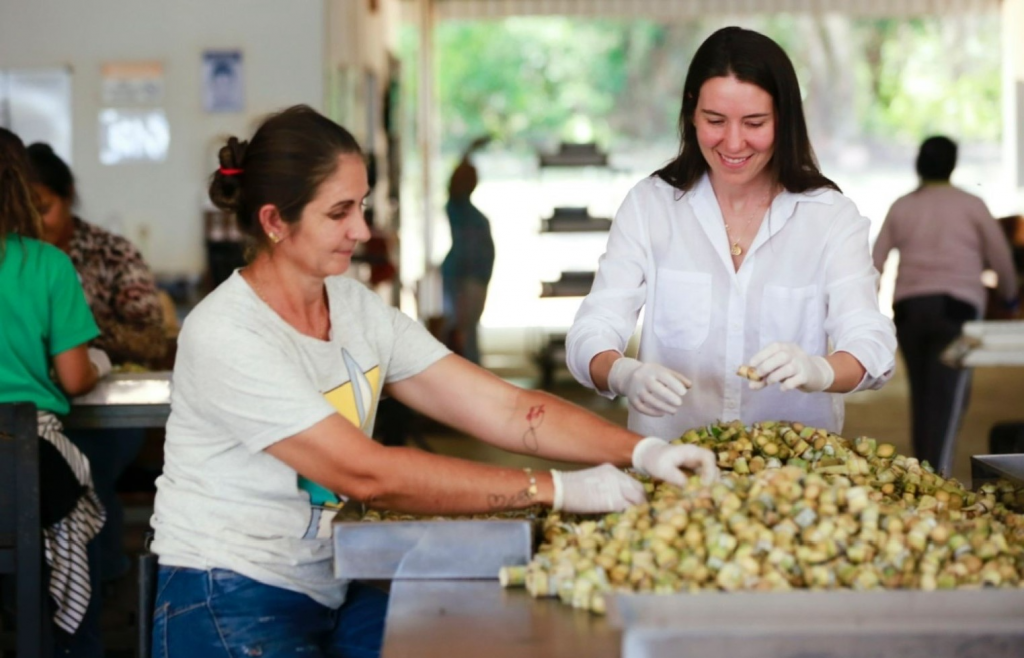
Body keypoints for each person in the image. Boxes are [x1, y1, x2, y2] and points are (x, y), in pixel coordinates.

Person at [149, 105, 718, 658]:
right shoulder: (227, 332)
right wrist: (555, 489)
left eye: (363, 205)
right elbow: (367, 473)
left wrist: (643, 450)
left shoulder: (353, 307)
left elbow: (506, 411)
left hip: (330, 585)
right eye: (339, 212)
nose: (361, 228)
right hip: (225, 592)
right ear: (275, 221)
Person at [566, 26, 897, 441]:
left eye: (755, 122)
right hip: (670, 474)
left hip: (795, 480)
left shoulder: (829, 217)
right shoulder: (650, 206)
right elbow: (591, 330)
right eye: (715, 120)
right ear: (691, 112)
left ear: (784, 118)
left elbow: (872, 342)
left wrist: (821, 370)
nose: (734, 142)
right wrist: (622, 372)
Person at [28, 142, 167, 586]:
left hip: (109, 411)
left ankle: (98, 584)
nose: (35, 221)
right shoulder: (21, 259)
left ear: (69, 195)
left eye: (45, 207)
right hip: (42, 412)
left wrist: (75, 333)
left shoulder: (111, 252)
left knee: (84, 474)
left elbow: (150, 338)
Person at [0, 127, 108, 656]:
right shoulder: (46, 265)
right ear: (20, 189)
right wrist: (99, 364)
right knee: (68, 582)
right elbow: (74, 378)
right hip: (20, 465)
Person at [872, 135, 1018, 475]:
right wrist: (1010, 298)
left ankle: (923, 475)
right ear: (953, 164)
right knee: (948, 403)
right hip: (957, 315)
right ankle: (935, 481)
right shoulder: (971, 204)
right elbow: (1002, 260)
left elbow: (874, 264)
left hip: (908, 313)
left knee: (923, 400)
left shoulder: (902, 205)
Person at [440, 136, 495, 364]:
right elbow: (467, 253)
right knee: (464, 331)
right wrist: (469, 148)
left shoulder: (465, 209)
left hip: (473, 278)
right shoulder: (459, 208)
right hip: (466, 278)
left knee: (468, 329)